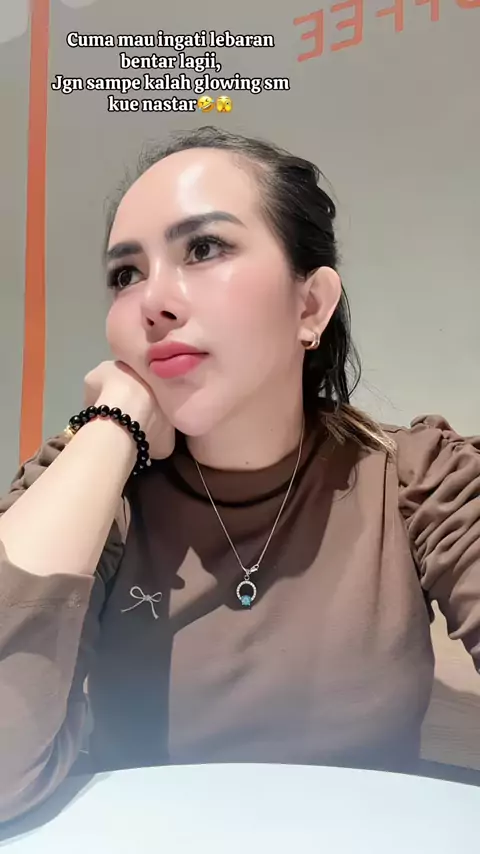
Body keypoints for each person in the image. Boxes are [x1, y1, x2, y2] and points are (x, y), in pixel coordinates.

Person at [0, 126, 479, 823]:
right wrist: (115, 424)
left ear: (310, 306)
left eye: (204, 249)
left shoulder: (420, 479)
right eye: (126, 274)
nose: (152, 302)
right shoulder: (90, 486)